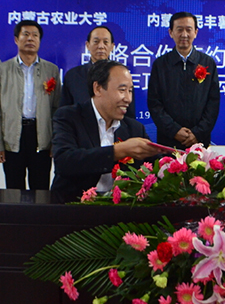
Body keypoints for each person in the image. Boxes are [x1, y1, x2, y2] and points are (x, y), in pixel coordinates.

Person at [51, 60, 161, 202]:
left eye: (130, 91)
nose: (128, 99)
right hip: (73, 205)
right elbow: (64, 162)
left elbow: (155, 165)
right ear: (97, 89)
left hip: (120, 209)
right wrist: (117, 151)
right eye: (122, 90)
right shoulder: (69, 116)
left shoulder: (134, 128)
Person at [0, 20, 61, 190]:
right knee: (14, 188)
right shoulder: (2, 70)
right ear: (16, 39)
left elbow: (57, 109)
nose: (30, 39)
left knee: (41, 188)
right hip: (13, 135)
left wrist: (55, 142)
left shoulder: (51, 70)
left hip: (41, 136)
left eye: (35, 35)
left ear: (39, 40)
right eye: (26, 34)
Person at [147, 12, 220, 148]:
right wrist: (174, 130)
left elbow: (213, 103)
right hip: (168, 140)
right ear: (171, 32)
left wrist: (197, 133)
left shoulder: (207, 63)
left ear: (196, 32)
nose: (184, 34)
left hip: (199, 141)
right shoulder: (160, 64)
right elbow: (154, 103)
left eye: (188, 29)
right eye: (179, 30)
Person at [60, 25, 135, 118]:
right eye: (96, 42)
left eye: (105, 42)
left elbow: (129, 116)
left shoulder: (122, 75)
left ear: (112, 46)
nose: (101, 46)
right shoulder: (73, 75)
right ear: (87, 45)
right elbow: (64, 113)